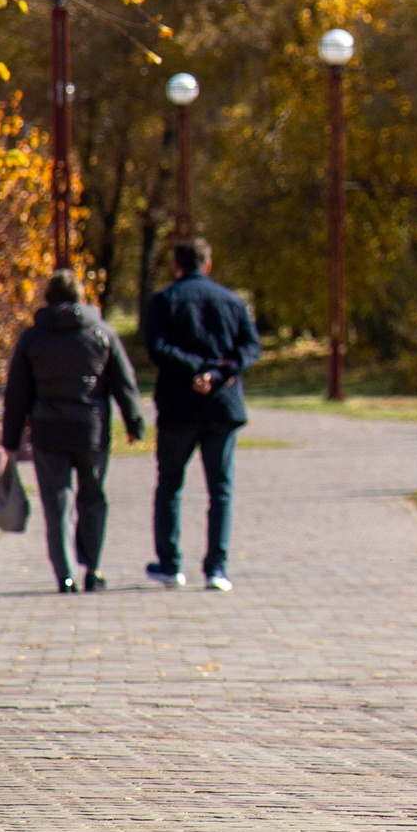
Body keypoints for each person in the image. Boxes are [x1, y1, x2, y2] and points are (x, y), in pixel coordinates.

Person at [2, 269, 145, 593]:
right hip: (90, 430)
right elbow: (124, 381)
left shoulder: (33, 338)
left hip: (48, 430)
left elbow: (17, 392)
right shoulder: (101, 333)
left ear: (48, 297)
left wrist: (11, 437)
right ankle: (92, 568)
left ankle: (65, 574)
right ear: (80, 296)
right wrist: (133, 423)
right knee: (93, 498)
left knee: (57, 502)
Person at [139, 235, 261, 591]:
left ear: (176, 265)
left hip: (178, 406)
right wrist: (217, 373)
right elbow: (250, 348)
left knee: (170, 485)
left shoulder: (164, 301)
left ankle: (169, 564)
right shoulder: (232, 301)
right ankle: (216, 568)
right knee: (220, 489)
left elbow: (157, 348)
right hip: (222, 407)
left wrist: (194, 370)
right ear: (208, 264)